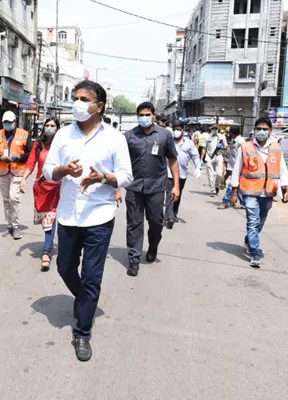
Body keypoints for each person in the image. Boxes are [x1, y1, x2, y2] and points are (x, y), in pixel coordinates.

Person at [43, 80, 133, 362]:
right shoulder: (63, 135)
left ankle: (82, 332)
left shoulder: (115, 138)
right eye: (75, 98)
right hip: (69, 214)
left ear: (99, 106)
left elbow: (127, 176)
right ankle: (85, 302)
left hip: (100, 215)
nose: (77, 103)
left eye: (84, 99)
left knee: (93, 276)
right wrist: (62, 169)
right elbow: (48, 171)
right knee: (65, 266)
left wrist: (104, 177)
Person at [122, 102, 180, 277]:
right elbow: (120, 162)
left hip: (156, 187)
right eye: (141, 115)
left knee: (156, 222)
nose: (144, 118)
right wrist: (116, 187)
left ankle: (153, 245)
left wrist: (176, 185)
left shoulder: (164, 135)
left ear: (154, 115)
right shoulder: (129, 136)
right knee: (134, 224)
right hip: (134, 187)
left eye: (147, 114)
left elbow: (172, 160)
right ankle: (134, 259)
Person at [230, 117, 288, 268]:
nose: (262, 132)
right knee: (253, 220)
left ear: (270, 131)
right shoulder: (245, 147)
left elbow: (282, 168)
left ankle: (248, 240)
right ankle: (254, 251)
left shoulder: (276, 147)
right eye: (259, 129)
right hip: (250, 191)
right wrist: (233, 191)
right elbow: (236, 170)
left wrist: (286, 187)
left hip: (269, 191)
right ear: (254, 130)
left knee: (261, 221)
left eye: (265, 129)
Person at [19, 117, 62, 271]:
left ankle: (46, 252)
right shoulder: (38, 145)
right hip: (42, 188)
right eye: (47, 125)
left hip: (60, 188)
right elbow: (31, 163)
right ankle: (50, 247)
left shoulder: (62, 145)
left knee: (53, 218)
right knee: (47, 220)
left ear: (58, 128)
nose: (49, 128)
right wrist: (24, 179)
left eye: (53, 125)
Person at [0, 111, 32, 240]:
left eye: (10, 122)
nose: (7, 124)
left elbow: (30, 153)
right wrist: (0, 157)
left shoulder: (24, 135)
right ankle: (9, 226)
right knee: (6, 200)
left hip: (17, 172)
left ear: (14, 122)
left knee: (13, 198)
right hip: (3, 172)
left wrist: (19, 157)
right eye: (5, 122)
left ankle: (17, 226)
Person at [165, 121, 201, 229]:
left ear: (183, 129)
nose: (177, 131)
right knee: (169, 193)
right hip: (169, 172)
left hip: (182, 174)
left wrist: (198, 167)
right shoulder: (168, 141)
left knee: (177, 194)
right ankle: (169, 217)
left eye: (179, 128)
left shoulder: (189, 143)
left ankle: (174, 213)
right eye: (175, 128)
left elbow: (195, 156)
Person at [219, 125, 246, 210]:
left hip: (238, 167)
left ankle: (225, 202)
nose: (228, 134)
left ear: (232, 133)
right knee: (237, 186)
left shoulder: (241, 141)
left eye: (229, 132)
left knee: (231, 185)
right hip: (233, 166)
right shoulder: (234, 141)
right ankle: (243, 203)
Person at [205, 124, 228, 197]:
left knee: (219, 174)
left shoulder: (222, 137)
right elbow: (204, 148)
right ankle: (212, 190)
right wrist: (201, 158)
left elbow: (226, 147)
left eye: (216, 128)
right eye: (213, 128)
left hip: (219, 156)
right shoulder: (207, 137)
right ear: (211, 129)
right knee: (210, 174)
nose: (215, 129)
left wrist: (222, 147)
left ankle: (217, 185)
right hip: (209, 156)